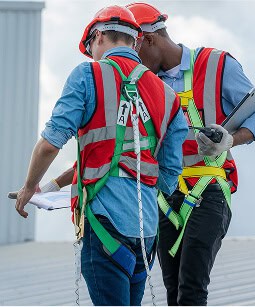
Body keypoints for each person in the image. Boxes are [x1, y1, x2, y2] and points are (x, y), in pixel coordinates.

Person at [14, 5, 188, 306]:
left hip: (105, 223)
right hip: (145, 232)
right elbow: (171, 169)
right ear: (135, 41)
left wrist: (30, 187)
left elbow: (50, 143)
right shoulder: (167, 94)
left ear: (98, 37)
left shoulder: (87, 74)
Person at [126, 3, 255, 306]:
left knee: (191, 287)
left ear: (148, 39)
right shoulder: (142, 84)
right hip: (165, 198)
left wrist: (230, 139)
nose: (132, 63)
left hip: (208, 191)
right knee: (173, 291)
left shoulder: (217, 65)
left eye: (133, 51)